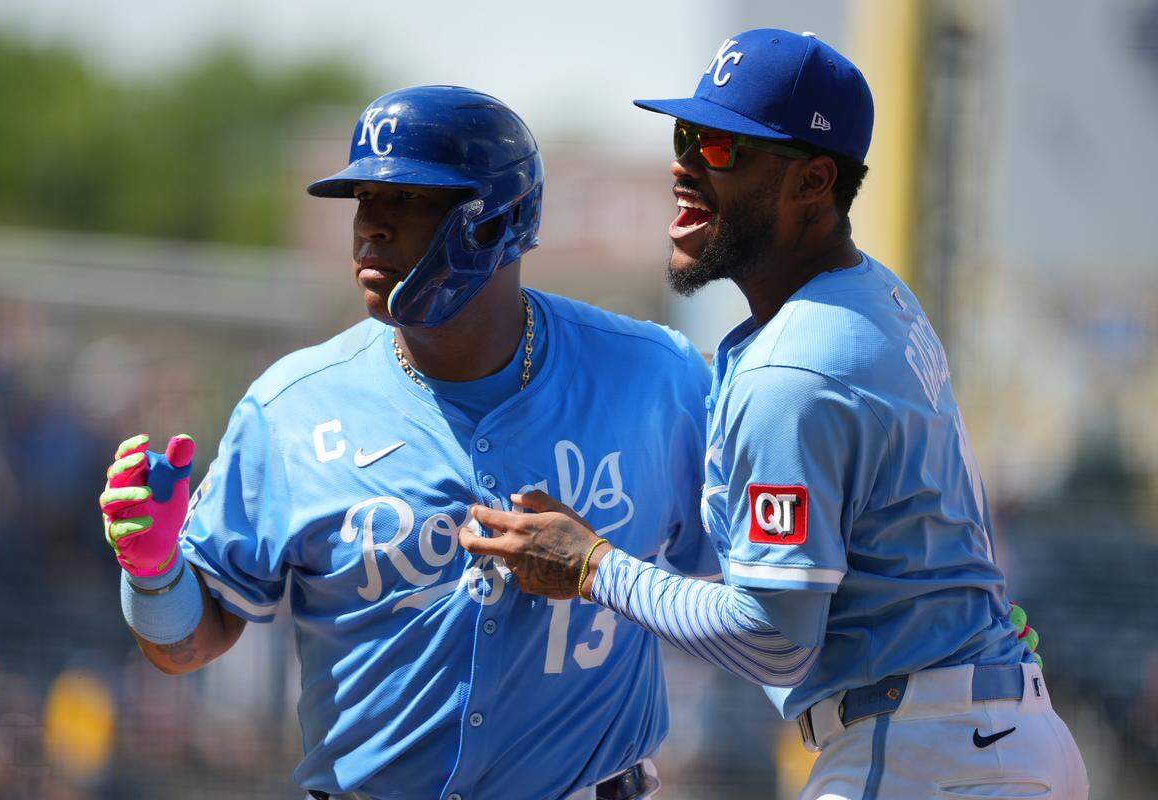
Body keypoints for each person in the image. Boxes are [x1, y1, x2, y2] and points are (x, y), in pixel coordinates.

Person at [460, 29, 1088, 800]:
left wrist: (594, 568)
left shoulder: (796, 364)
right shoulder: (872, 295)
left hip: (930, 756)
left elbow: (773, 640)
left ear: (813, 182)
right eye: (687, 134)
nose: (684, 165)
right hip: (982, 732)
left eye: (725, 148)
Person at [97, 85, 719, 800]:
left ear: (497, 220)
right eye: (364, 198)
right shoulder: (291, 406)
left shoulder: (653, 377)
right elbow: (186, 646)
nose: (372, 227)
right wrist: (152, 570)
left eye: (411, 201)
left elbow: (760, 592)